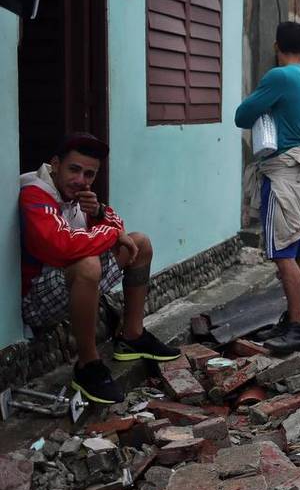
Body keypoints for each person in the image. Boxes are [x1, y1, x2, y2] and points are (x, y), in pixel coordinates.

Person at [19, 133, 180, 404]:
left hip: (64, 287)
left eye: (89, 175)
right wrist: (110, 233)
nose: (81, 180)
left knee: (139, 244)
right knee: (88, 264)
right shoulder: (34, 193)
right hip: (35, 301)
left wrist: (99, 213)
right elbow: (61, 245)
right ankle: (87, 364)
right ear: (55, 164)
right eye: (74, 169)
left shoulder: (77, 198)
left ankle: (132, 335)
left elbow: (121, 232)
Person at [235, 22, 300, 355]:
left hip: (281, 172)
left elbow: (243, 115)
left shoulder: (280, 76)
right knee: (297, 249)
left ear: (276, 45)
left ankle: (297, 327)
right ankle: (294, 317)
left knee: (281, 253)